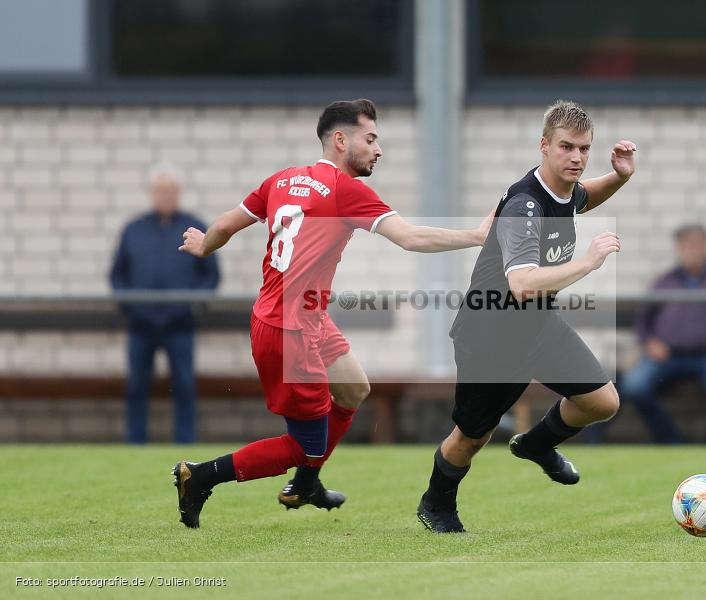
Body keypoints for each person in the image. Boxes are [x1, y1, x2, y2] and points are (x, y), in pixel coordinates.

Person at [171, 99, 491, 528]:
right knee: (304, 445)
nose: (378, 150)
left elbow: (227, 224)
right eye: (371, 139)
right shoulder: (346, 190)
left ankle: (307, 482)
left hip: (302, 319)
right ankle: (202, 476)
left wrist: (203, 245)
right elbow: (411, 238)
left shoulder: (283, 179)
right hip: (290, 332)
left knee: (355, 389)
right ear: (341, 140)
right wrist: (476, 235)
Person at [415, 100, 636, 533]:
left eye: (584, 149)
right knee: (472, 437)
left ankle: (536, 444)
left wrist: (620, 177)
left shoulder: (565, 188)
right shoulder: (523, 206)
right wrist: (588, 264)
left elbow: (583, 198)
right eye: (567, 147)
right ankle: (436, 503)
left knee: (602, 401)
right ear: (544, 146)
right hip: (490, 334)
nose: (576, 157)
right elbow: (523, 284)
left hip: (536, 326)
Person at [110, 164, 220, 445]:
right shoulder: (133, 230)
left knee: (184, 385)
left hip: (180, 324)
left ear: (178, 193)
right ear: (152, 193)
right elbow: (118, 274)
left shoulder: (195, 229)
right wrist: (131, 306)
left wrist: (193, 305)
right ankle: (135, 444)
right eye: (160, 190)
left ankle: (185, 444)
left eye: (170, 190)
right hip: (141, 324)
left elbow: (211, 275)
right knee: (136, 386)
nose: (165, 195)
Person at [619, 224, 706, 444]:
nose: (691, 250)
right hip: (668, 355)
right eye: (686, 245)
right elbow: (643, 320)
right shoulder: (664, 281)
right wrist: (650, 342)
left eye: (696, 244)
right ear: (678, 248)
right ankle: (672, 441)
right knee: (634, 387)